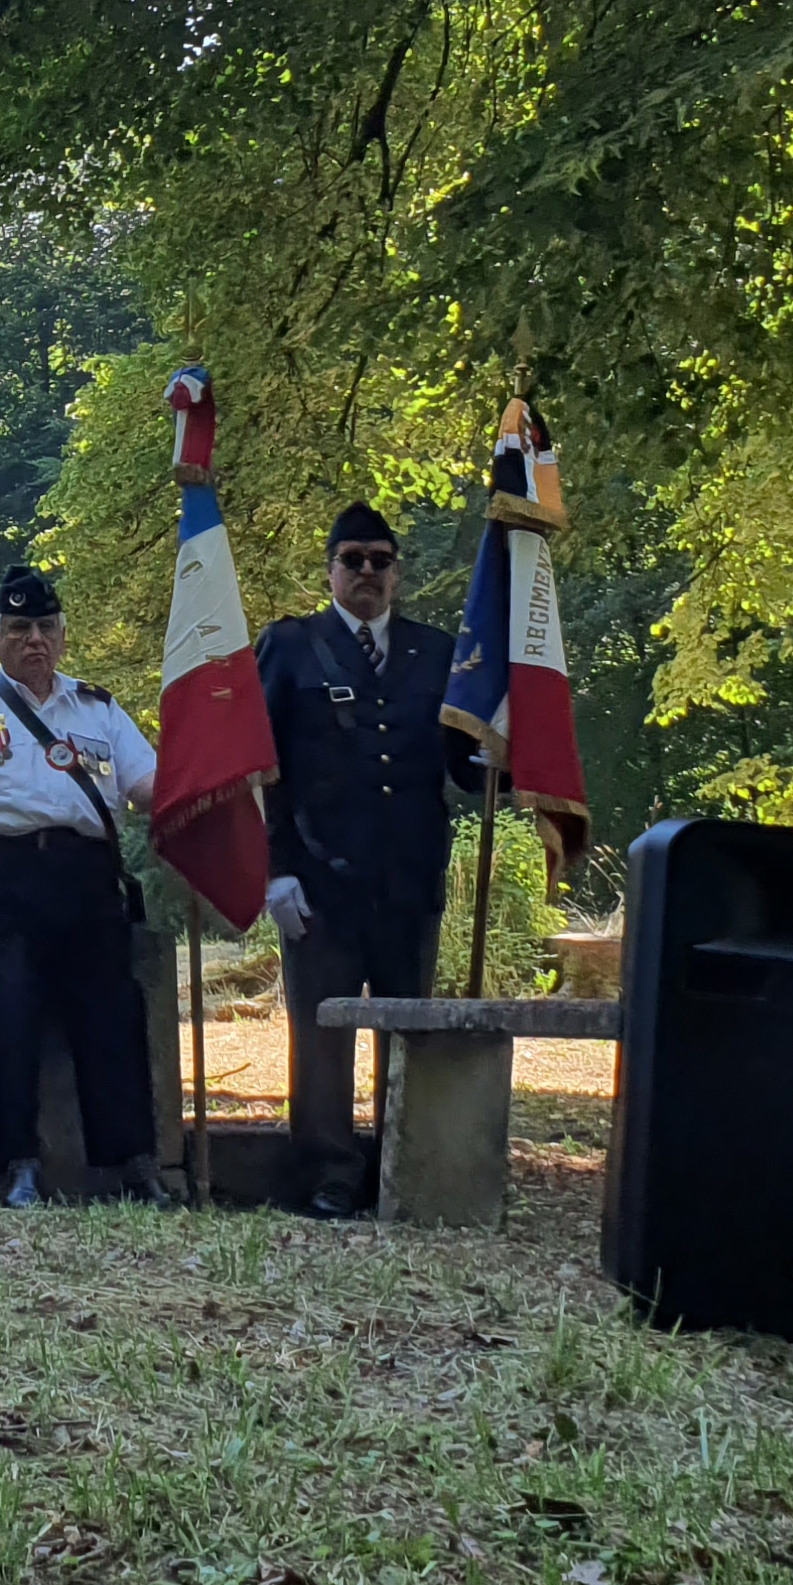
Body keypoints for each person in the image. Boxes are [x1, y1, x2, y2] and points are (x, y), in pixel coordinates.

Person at [0, 565, 173, 1209]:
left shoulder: (98, 708)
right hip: (0, 881)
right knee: (13, 1010)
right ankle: (18, 1163)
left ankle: (133, 1164)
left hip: (85, 881)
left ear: (64, 636)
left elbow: (147, 788)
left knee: (113, 1013)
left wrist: (213, 780)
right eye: (19, 628)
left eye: (46, 627)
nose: (34, 640)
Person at [256, 500, 481, 1216]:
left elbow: (465, 768)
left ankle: (400, 1166)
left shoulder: (439, 653)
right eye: (352, 560)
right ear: (330, 569)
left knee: (407, 1031)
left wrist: (503, 750)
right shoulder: (291, 646)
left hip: (410, 877)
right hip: (320, 878)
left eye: (380, 562)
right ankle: (327, 1174)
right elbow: (263, 769)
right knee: (322, 1035)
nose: (367, 573)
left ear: (397, 573)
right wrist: (275, 870)